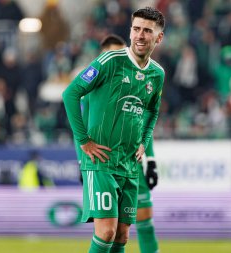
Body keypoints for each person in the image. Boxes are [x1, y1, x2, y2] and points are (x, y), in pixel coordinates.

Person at [63, 7, 165, 253]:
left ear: (158, 38)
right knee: (106, 231)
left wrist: (144, 142)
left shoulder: (157, 73)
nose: (140, 35)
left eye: (147, 31)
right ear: (130, 31)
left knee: (121, 235)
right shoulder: (110, 61)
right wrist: (84, 141)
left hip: (129, 165)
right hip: (101, 162)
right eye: (136, 29)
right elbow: (70, 93)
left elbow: (152, 111)